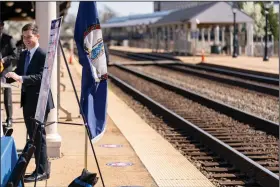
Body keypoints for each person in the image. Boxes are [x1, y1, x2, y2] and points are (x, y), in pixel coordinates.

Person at [5, 23, 54, 182]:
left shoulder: (43, 55)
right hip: (27, 101)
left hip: (40, 100)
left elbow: (42, 77)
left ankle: (42, 170)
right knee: (33, 138)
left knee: (39, 136)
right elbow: (19, 73)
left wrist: (21, 78)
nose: (26, 40)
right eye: (24, 37)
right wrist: (8, 78)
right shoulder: (24, 55)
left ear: (37, 36)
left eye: (29, 37)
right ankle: (41, 167)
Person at [0, 20, 17, 127]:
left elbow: (15, 55)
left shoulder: (9, 39)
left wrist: (4, 59)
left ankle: (9, 119)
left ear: (2, 26)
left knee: (7, 96)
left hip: (6, 71)